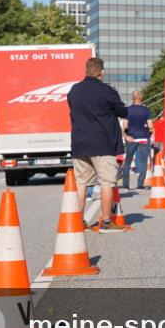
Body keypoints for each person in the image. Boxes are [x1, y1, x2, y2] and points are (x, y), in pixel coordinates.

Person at [67, 57, 129, 232]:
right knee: (107, 182)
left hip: (79, 144)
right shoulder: (106, 90)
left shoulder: (74, 90)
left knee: (82, 183)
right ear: (102, 72)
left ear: (86, 71)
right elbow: (122, 111)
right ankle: (107, 221)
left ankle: (78, 221)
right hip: (103, 144)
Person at [122, 90, 155, 189]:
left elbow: (124, 126)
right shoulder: (146, 110)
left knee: (127, 162)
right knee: (143, 162)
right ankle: (140, 184)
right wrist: (149, 134)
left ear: (133, 97)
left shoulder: (127, 110)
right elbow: (150, 126)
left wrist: (126, 136)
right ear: (141, 97)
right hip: (143, 139)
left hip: (131, 138)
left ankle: (126, 185)